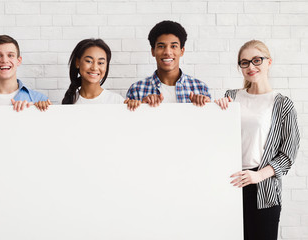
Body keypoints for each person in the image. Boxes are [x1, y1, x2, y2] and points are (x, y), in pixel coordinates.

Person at [215, 40, 300, 240]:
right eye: (244, 62)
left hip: (264, 189)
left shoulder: (282, 104)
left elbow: (288, 153)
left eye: (256, 60)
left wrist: (258, 176)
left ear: (269, 62)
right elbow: (217, 139)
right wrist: (216, 111)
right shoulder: (231, 97)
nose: (251, 67)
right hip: (230, 183)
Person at [125, 20, 211, 110]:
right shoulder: (137, 90)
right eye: (161, 46)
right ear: (153, 51)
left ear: (182, 51)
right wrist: (142, 107)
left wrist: (202, 108)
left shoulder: (200, 88)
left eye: (173, 46)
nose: (167, 52)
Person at [0, 35, 50, 111]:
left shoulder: (39, 100)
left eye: (10, 55)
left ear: (18, 61)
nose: (4, 60)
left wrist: (35, 112)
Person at [62, 38, 124, 104]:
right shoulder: (69, 101)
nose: (94, 68)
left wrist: (134, 108)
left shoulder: (117, 101)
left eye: (100, 63)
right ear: (77, 62)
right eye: (89, 61)